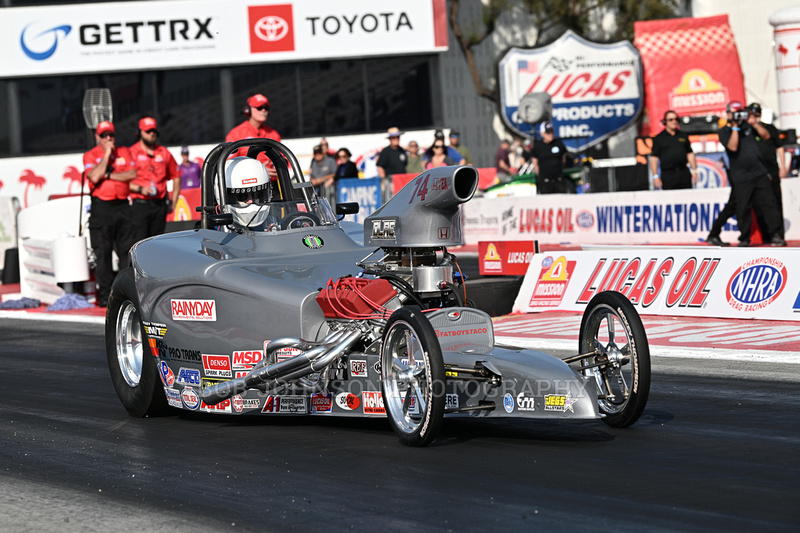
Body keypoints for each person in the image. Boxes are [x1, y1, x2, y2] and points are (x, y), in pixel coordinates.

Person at [713, 101, 786, 247]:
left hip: (759, 172)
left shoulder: (749, 126)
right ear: (728, 114)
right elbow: (733, 147)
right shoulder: (724, 131)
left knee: (769, 204)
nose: (738, 116)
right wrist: (735, 126)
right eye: (735, 113)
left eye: (741, 112)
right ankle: (744, 238)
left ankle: (776, 235)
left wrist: (754, 123)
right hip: (741, 176)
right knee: (743, 208)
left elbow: (766, 136)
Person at [82, 121, 137, 307]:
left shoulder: (124, 151)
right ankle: (105, 294)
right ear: (97, 137)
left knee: (126, 250)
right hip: (102, 208)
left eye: (111, 135)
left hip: (122, 205)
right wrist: (106, 155)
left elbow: (131, 174)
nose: (108, 139)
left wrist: (109, 175)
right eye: (104, 135)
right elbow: (94, 176)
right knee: (103, 252)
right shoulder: (91, 155)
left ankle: (125, 291)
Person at [128, 117, 181, 241]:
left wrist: (173, 201)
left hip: (159, 205)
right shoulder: (131, 153)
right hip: (140, 206)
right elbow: (123, 181)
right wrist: (140, 189)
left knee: (157, 242)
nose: (151, 134)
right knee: (139, 242)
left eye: (154, 131)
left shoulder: (163, 152)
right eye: (148, 131)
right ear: (139, 132)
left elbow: (177, 176)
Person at [748, 102, 787, 240]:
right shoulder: (747, 130)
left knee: (775, 201)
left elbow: (779, 147)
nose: (755, 115)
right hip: (755, 172)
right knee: (759, 203)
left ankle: (779, 233)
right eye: (752, 112)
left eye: (756, 112)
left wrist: (783, 166)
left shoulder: (769, 128)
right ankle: (767, 234)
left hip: (771, 169)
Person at [226, 94, 281, 165]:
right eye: (259, 108)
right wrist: (258, 169)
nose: (264, 110)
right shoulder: (236, 133)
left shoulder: (273, 134)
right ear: (247, 110)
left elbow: (283, 160)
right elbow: (229, 164)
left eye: (266, 108)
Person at [650, 110, 698, 190]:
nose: (674, 121)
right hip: (668, 174)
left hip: (683, 172)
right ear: (665, 122)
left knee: (687, 197)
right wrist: (655, 176)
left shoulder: (683, 135)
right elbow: (654, 158)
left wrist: (694, 171)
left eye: (676, 119)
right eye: (671, 119)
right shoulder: (659, 138)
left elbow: (690, 154)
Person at [532, 121, 572, 194]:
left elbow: (564, 158)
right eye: (547, 133)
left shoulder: (558, 143)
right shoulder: (538, 146)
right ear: (542, 134)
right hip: (545, 181)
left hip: (558, 179)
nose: (550, 135)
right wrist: (540, 176)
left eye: (551, 132)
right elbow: (535, 163)